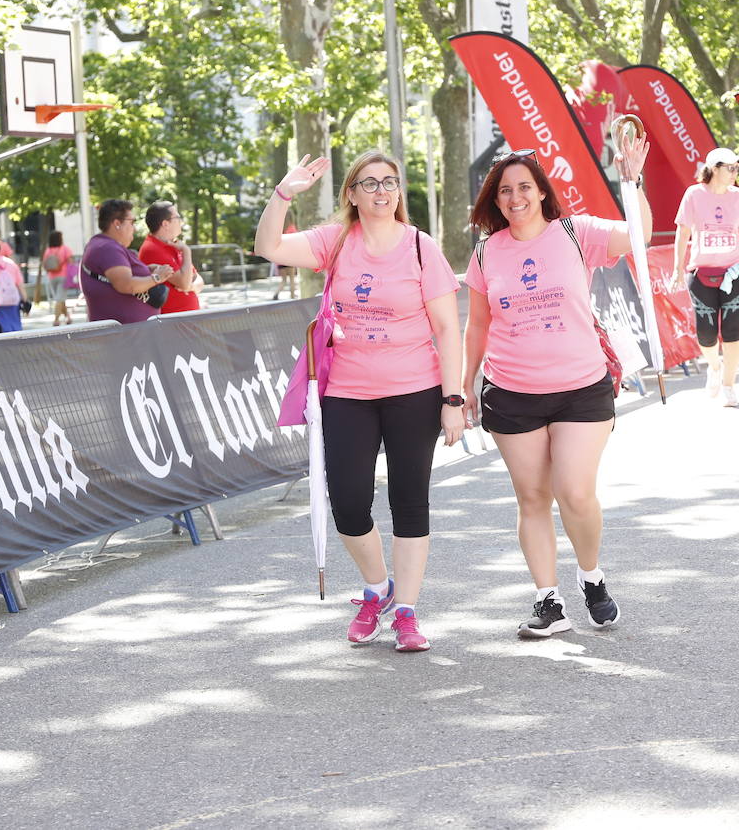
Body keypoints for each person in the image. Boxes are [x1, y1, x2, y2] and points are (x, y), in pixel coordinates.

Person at [254, 151, 464, 653]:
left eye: (389, 182)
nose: (381, 191)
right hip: (346, 392)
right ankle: (378, 588)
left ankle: (407, 613)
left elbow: (447, 327)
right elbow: (268, 247)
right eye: (369, 183)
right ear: (351, 194)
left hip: (414, 389)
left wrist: (453, 397)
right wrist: (284, 192)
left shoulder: (420, 247)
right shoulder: (336, 241)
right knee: (347, 501)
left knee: (409, 502)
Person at [462, 136, 650, 641]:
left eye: (525, 187)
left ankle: (591, 577)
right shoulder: (485, 254)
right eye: (505, 191)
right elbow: (476, 327)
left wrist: (631, 183)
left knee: (573, 491)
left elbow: (637, 234)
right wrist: (462, 389)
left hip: (580, 387)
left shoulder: (575, 232)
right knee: (532, 498)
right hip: (511, 392)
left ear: (542, 193)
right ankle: (549, 601)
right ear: (495, 201)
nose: (515, 197)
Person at [668, 147, 739, 407]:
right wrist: (677, 269)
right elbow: (682, 233)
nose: (735, 173)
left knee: (732, 330)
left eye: (738, 168)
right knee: (706, 333)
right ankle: (715, 366)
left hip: (736, 270)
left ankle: (729, 385)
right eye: (731, 168)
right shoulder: (693, 194)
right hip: (702, 271)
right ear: (714, 168)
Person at [81, 199, 176, 325]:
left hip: (129, 334)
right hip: (124, 336)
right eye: (131, 222)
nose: (134, 229)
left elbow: (118, 278)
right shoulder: (108, 248)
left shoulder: (103, 245)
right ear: (117, 223)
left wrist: (146, 270)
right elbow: (126, 284)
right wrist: (157, 277)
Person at [138, 201, 205, 314]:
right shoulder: (152, 248)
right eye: (178, 217)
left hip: (185, 319)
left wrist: (190, 287)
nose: (181, 222)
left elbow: (199, 281)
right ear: (165, 224)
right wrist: (187, 252)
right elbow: (184, 282)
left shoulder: (173, 244)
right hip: (172, 322)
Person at [40, 230, 75, 326]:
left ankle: (68, 317)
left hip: (52, 277)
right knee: (60, 298)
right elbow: (71, 262)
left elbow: (44, 264)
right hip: (63, 276)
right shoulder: (65, 249)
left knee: (60, 298)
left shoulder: (48, 250)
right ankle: (56, 320)